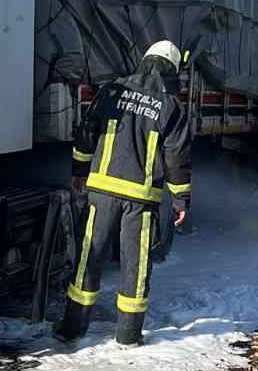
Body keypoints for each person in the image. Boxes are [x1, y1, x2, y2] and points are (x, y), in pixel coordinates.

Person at [56, 41, 191, 347]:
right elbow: (176, 157)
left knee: (89, 258)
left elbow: (87, 131)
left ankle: (71, 329)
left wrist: (79, 170)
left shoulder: (113, 90)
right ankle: (128, 335)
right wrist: (180, 199)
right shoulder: (170, 106)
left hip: (101, 193)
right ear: (170, 69)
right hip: (140, 202)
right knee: (136, 265)